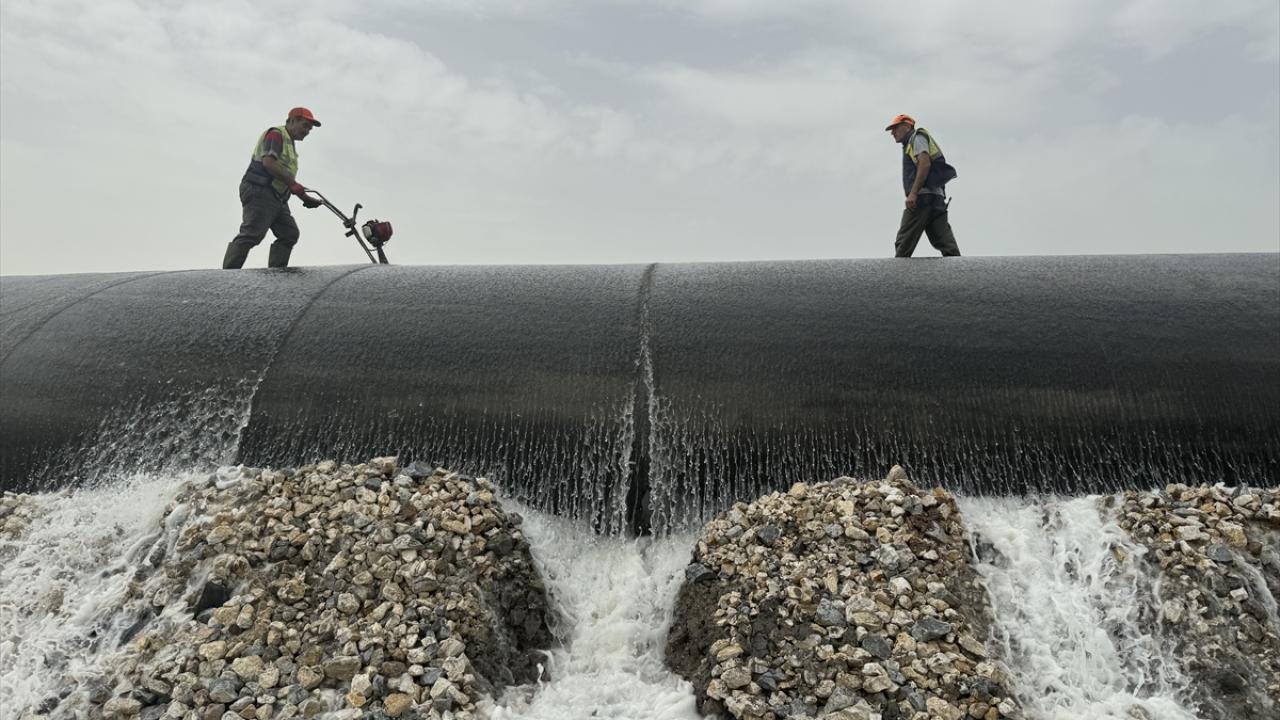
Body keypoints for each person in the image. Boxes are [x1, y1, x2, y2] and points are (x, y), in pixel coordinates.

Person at [222, 108, 324, 269]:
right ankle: (227, 276)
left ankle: (276, 278)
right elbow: (269, 162)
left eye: (309, 129)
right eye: (305, 126)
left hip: (277, 196)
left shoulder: (289, 144)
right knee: (252, 233)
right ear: (292, 121)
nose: (307, 131)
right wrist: (294, 185)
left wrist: (304, 197)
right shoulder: (277, 134)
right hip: (260, 190)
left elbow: (286, 178)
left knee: (289, 234)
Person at [885, 114, 960, 257]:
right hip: (936, 199)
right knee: (946, 244)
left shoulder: (917, 138)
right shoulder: (912, 142)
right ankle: (959, 274)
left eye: (895, 128)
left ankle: (897, 277)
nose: (892, 133)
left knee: (903, 243)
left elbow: (924, 163)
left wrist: (913, 193)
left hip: (922, 198)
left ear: (907, 126)